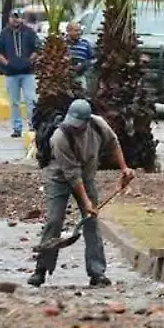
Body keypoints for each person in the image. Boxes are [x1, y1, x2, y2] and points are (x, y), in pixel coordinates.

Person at [30, 99, 135, 288]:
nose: (74, 128)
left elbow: (113, 143)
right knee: (54, 221)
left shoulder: (98, 125)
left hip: (86, 176)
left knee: (91, 222)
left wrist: (124, 168)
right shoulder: (59, 138)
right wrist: (86, 202)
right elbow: (72, 174)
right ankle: (41, 269)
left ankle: (97, 272)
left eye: (79, 126)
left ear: (87, 121)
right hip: (59, 178)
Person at [0, 13, 42, 138]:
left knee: (31, 100)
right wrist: (7, 63)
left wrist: (29, 60)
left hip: (28, 73)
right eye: (13, 17)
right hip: (11, 74)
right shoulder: (5, 33)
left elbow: (37, 48)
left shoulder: (29, 32)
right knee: (14, 102)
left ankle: (32, 126)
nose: (16, 20)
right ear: (9, 19)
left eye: (18, 17)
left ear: (22, 19)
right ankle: (17, 128)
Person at [65, 21, 95, 90]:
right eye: (76, 30)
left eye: (79, 30)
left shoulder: (85, 44)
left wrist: (83, 65)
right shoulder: (62, 43)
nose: (79, 33)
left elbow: (92, 59)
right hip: (65, 78)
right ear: (68, 31)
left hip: (80, 76)